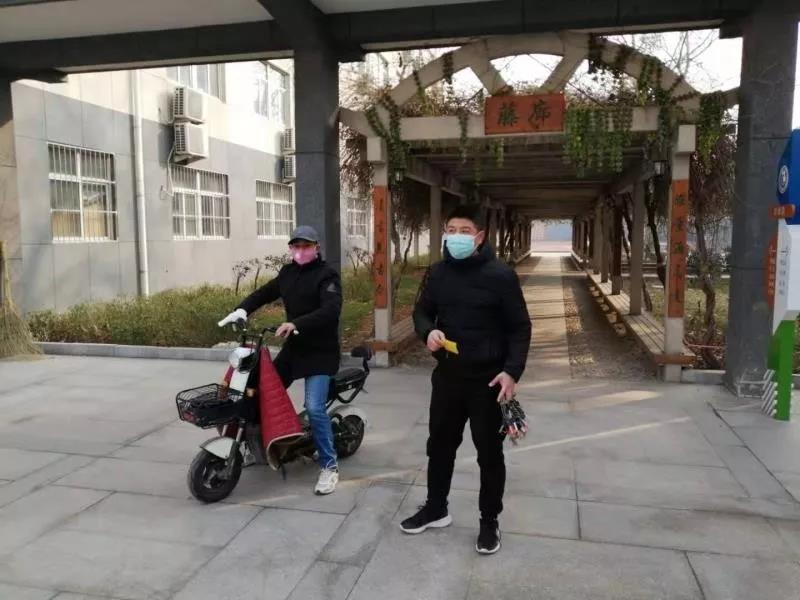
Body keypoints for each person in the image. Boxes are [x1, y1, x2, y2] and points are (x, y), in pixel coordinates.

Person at [400, 204, 532, 555]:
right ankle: (436, 508)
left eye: (464, 231)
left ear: (479, 237)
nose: (456, 236)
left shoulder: (501, 276)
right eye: (451, 230)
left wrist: (512, 371)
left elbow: (520, 327)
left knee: (489, 454)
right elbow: (422, 311)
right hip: (448, 377)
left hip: (488, 382)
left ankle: (489, 521)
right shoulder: (438, 273)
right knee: (439, 446)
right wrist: (427, 332)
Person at [218, 225, 342, 495]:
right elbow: (264, 293)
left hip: (321, 351)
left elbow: (331, 310)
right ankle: (255, 447)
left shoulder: (327, 275)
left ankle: (329, 466)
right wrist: (241, 310)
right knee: (258, 394)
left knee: (314, 408)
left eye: (306, 246)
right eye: (296, 246)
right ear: (290, 249)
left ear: (317, 248)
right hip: (295, 349)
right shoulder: (287, 273)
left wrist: (296, 323)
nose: (301, 251)